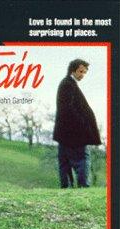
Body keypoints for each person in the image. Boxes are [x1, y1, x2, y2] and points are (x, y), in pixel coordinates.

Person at [53, 59, 101, 188]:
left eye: (84, 73)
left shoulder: (67, 83)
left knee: (65, 162)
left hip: (65, 132)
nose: (82, 75)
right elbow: (68, 109)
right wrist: (84, 124)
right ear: (73, 70)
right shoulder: (68, 84)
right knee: (83, 159)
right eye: (80, 72)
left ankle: (66, 187)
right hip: (74, 132)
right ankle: (83, 186)